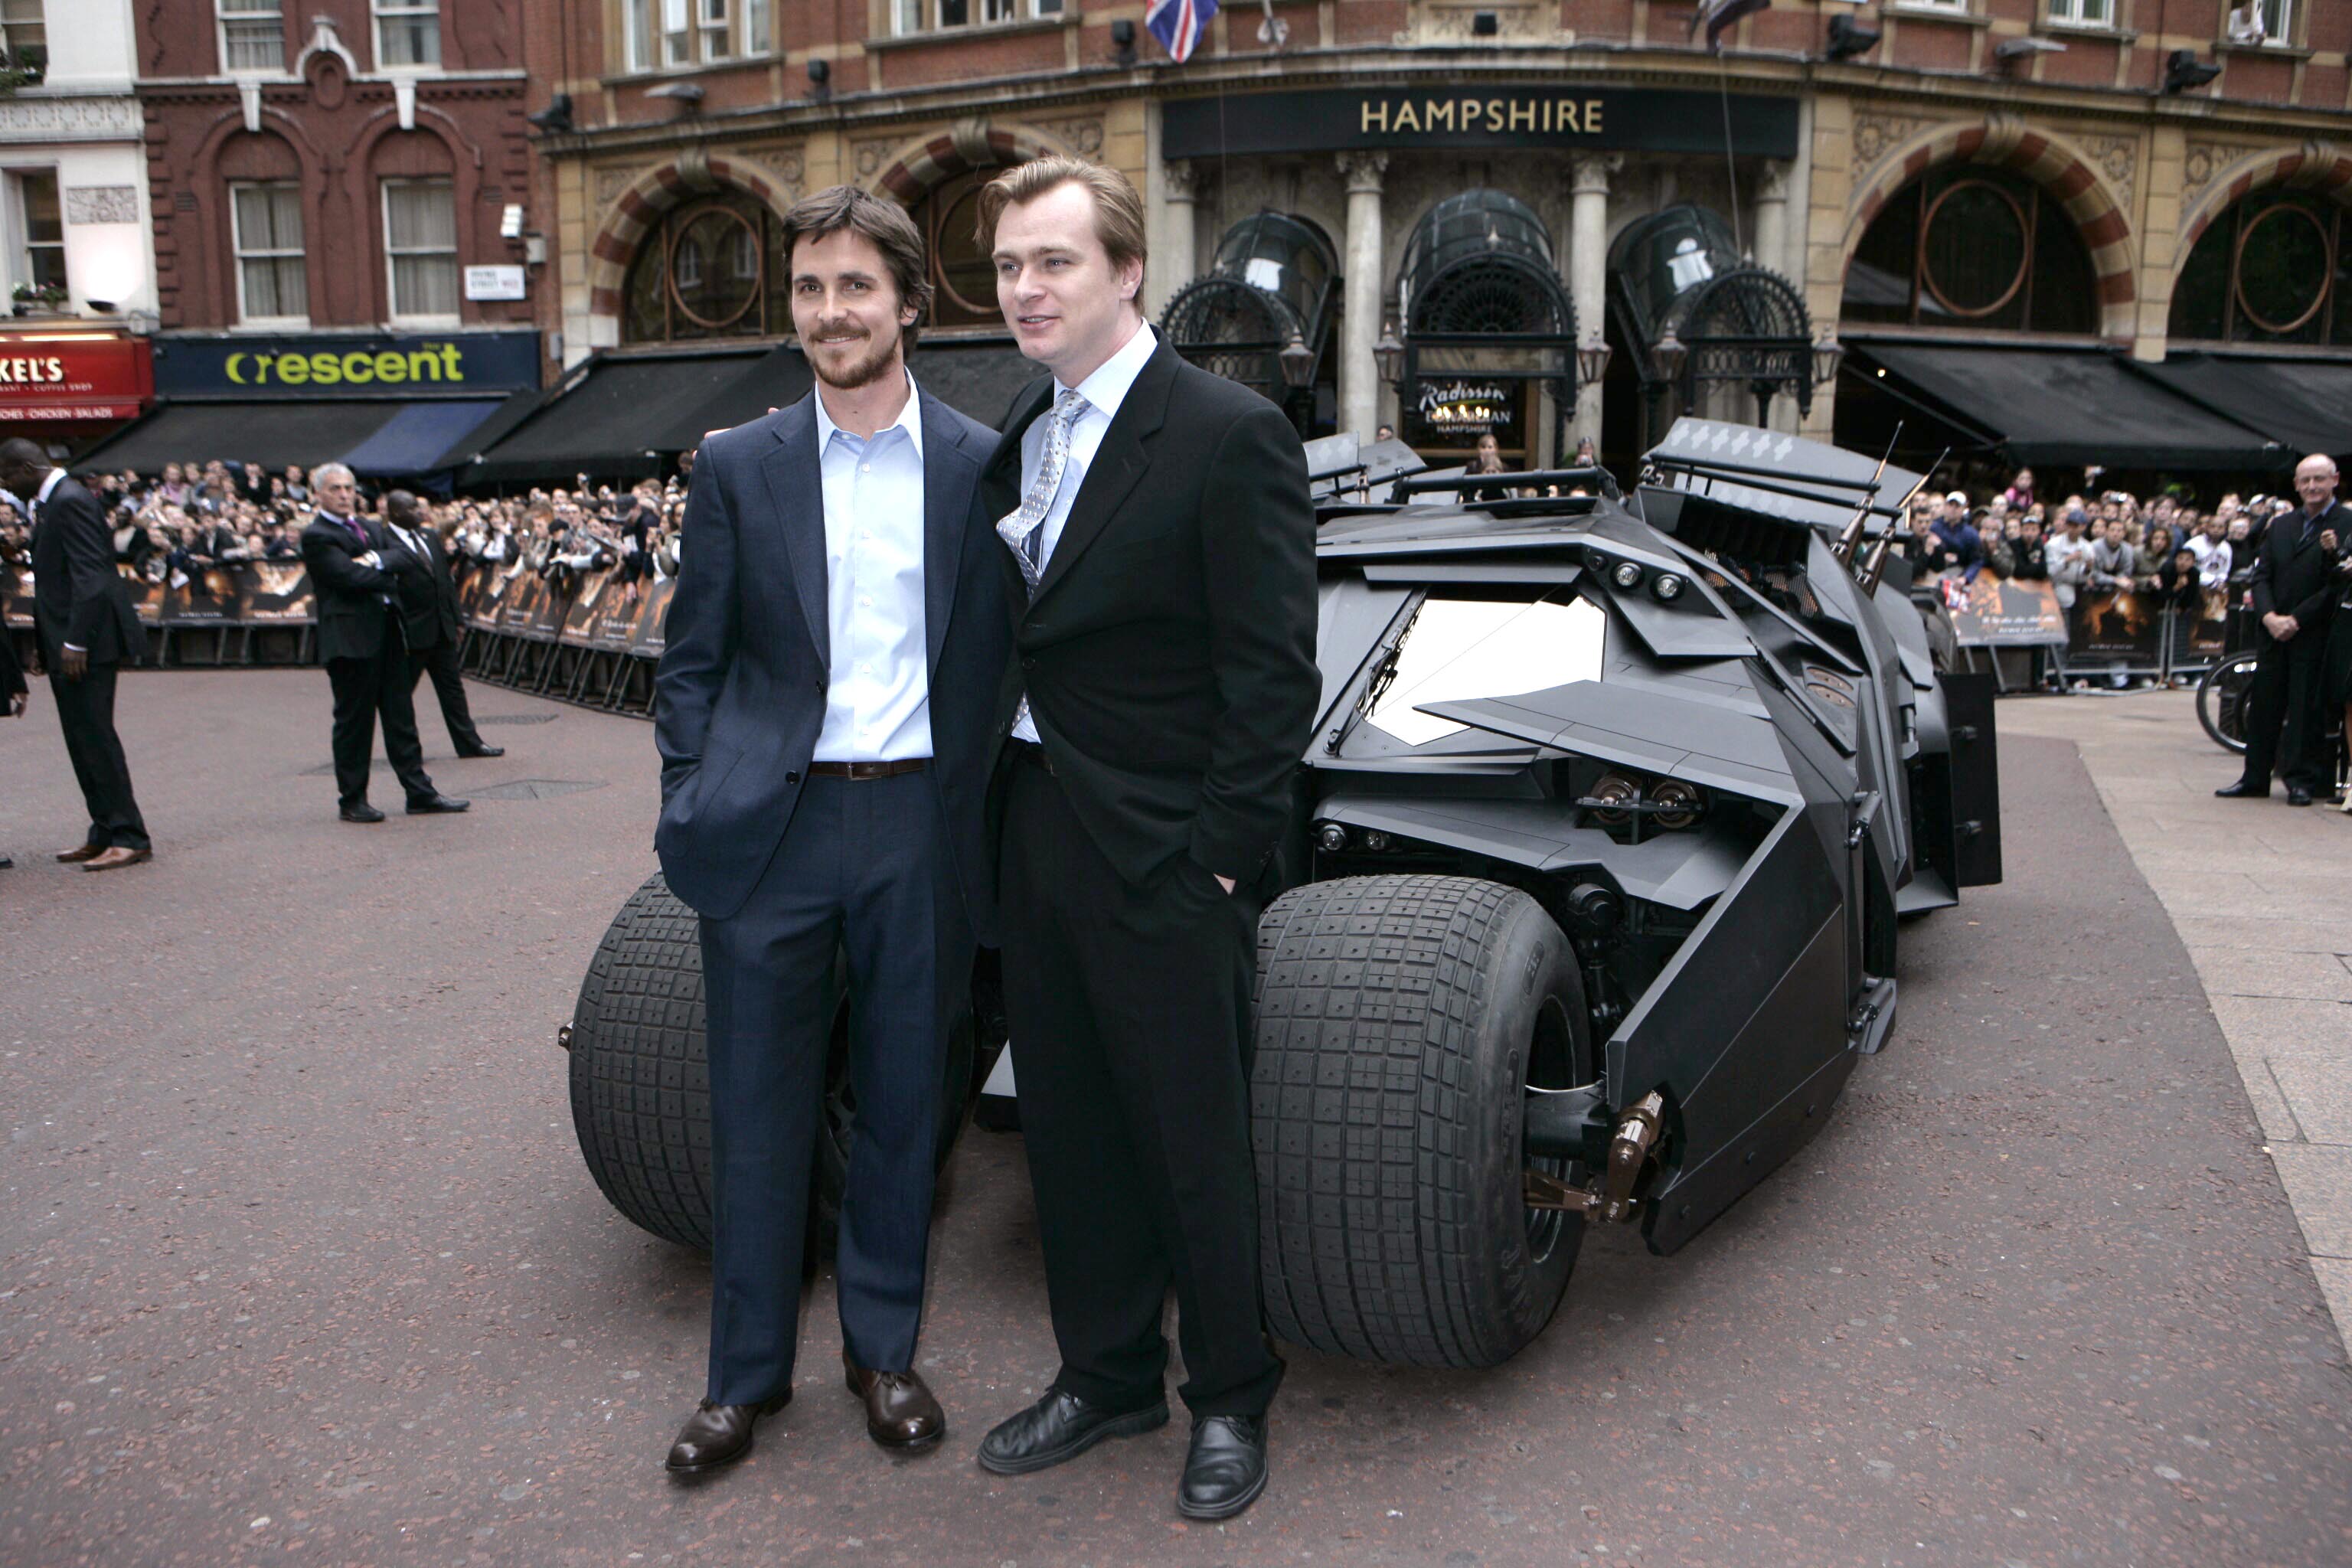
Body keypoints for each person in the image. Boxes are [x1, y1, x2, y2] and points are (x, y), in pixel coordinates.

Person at [972, 156, 1317, 1521]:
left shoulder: (1227, 431)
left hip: (1171, 852)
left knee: (1192, 1139)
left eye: (1051, 260)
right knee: (1066, 1128)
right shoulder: (1022, 433)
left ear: (1127, 272)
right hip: (1040, 832)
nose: (1023, 288)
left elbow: (1271, 672)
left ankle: (1229, 1394)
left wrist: (1220, 858)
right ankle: (1104, 1372)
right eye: (1006, 265)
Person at [652, 185, 1010, 1478]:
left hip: (919, 823)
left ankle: (883, 1350)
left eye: (854, 286)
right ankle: (741, 1380)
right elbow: (689, 660)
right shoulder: (739, 465)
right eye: (808, 288)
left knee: (909, 1106)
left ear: (908, 302)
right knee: (756, 1112)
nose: (828, 311)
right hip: (773, 830)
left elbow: (1007, 660)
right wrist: (693, 789)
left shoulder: (980, 464)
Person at [0, 437, 154, 871]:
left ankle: (129, 834)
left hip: (87, 643)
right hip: (67, 639)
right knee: (81, 738)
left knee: (96, 736)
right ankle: (104, 829)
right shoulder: (56, 503)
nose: (8, 487)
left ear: (27, 467)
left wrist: (75, 641)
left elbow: (94, 576)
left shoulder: (69, 500)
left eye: (8, 476)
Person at [299, 462, 468, 824]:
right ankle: (353, 799)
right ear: (319, 494)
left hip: (390, 634)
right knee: (355, 724)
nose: (345, 494)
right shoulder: (317, 534)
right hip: (350, 641)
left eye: (348, 488)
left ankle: (419, 792)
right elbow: (345, 577)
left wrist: (375, 560)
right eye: (335, 489)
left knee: (401, 718)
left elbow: (404, 558)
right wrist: (382, 573)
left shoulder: (372, 529)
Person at [2220, 454, 2344, 807]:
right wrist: (2270, 616)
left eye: (2319, 479)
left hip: (2313, 632)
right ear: (2296, 484)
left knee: (2306, 709)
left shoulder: (2347, 522)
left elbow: (2336, 584)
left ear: (2335, 479)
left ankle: (2301, 781)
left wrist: (2297, 619)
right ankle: (2254, 778)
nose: (2312, 487)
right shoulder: (2281, 525)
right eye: (2305, 480)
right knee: (2264, 706)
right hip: (2273, 632)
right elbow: (2261, 575)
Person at [381, 490, 502, 761]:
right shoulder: (383, 541)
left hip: (442, 627)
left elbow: (445, 583)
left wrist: (457, 620)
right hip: (410, 632)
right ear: (396, 512)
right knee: (401, 694)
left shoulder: (429, 537)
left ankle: (469, 743)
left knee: (452, 689)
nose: (420, 512)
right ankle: (403, 751)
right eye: (413, 507)